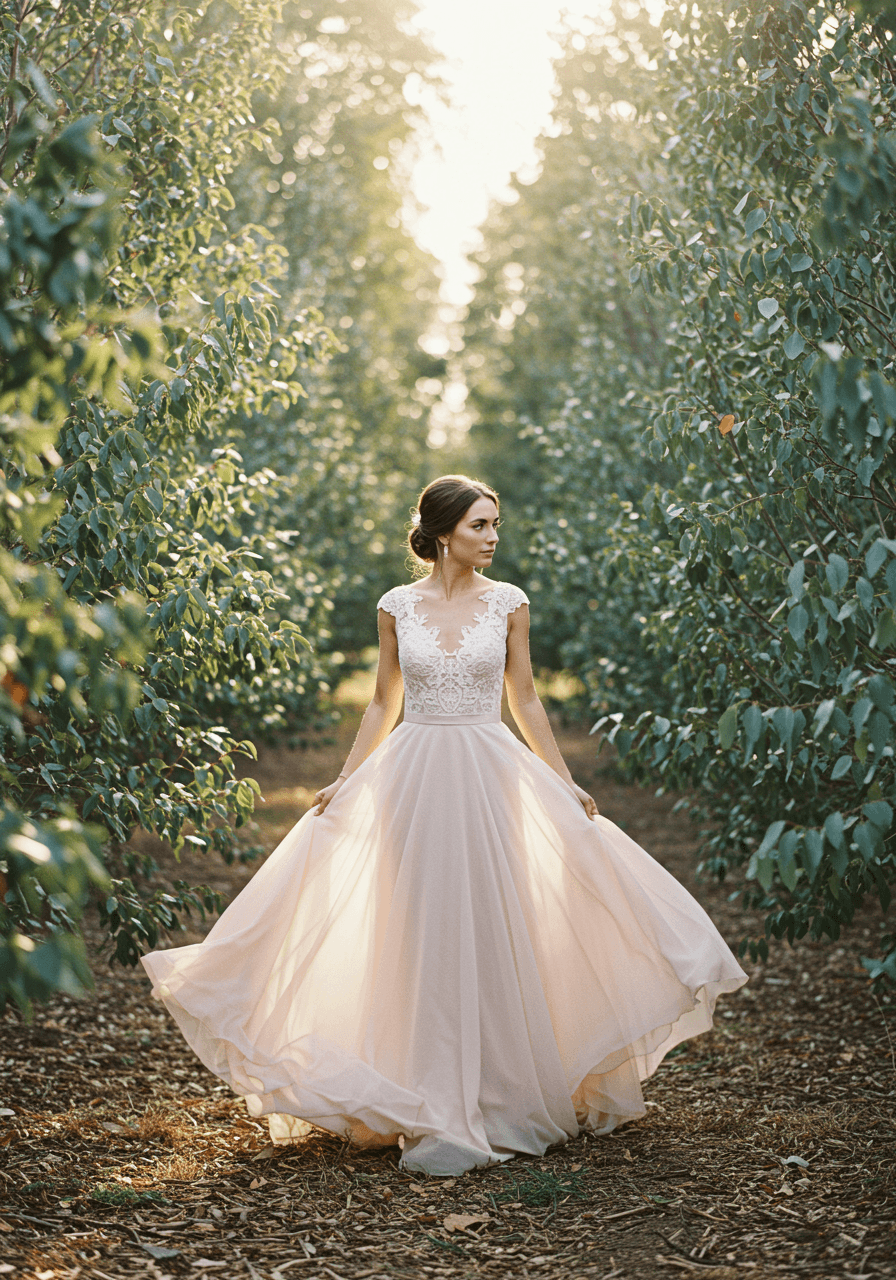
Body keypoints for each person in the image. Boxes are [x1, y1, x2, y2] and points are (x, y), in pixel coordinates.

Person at [141, 474, 747, 1177]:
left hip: (492, 776)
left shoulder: (511, 604)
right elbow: (381, 702)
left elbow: (523, 696)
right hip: (414, 777)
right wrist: (346, 776)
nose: (493, 538)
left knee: (497, 923)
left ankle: (501, 1091)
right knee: (419, 928)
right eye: (480, 526)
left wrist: (559, 778)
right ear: (442, 533)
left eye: (496, 525)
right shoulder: (397, 606)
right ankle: (424, 1088)